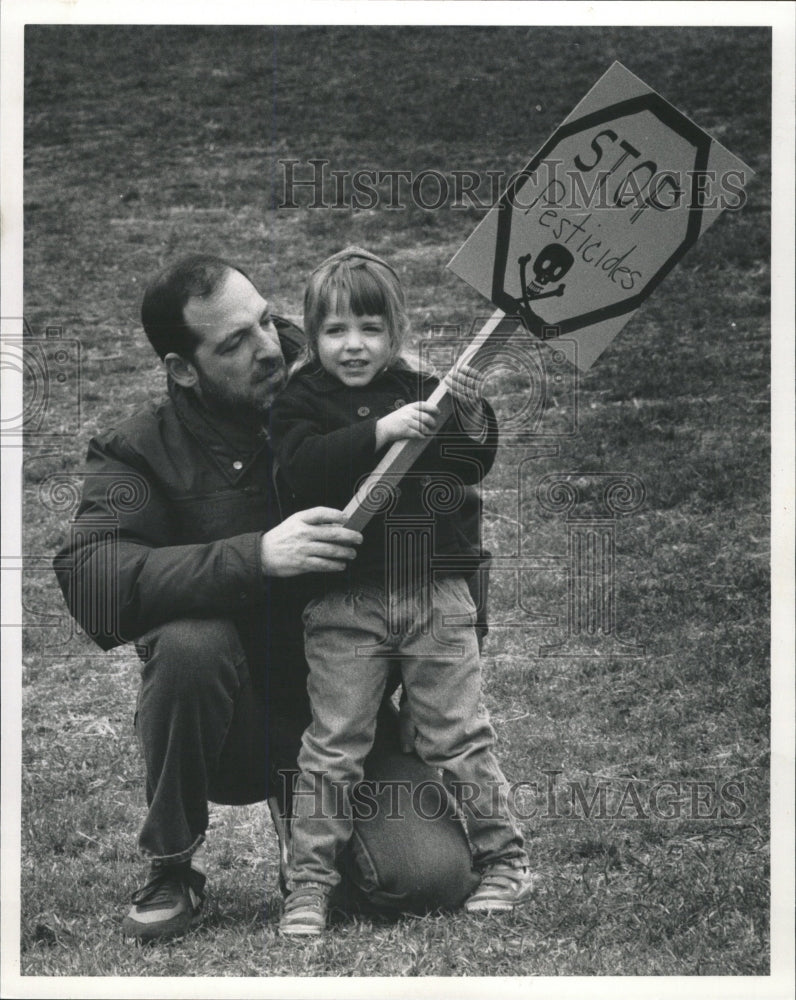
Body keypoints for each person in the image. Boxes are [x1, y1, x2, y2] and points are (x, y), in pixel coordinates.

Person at [53, 253, 484, 943]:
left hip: (348, 708)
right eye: (234, 343)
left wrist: (430, 685)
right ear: (183, 369)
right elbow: (92, 579)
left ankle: (315, 838)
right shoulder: (138, 450)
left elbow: (452, 533)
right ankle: (172, 864)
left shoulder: (359, 382)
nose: (267, 349)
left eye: (265, 319)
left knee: (429, 879)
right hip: (233, 721)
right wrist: (256, 557)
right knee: (190, 641)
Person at [269, 247, 536, 938]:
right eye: (334, 330)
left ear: (396, 329)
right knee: (333, 745)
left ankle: (504, 860)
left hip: (435, 594)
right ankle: (309, 887)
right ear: (312, 334)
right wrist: (380, 431)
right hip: (344, 607)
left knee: (460, 736)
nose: (353, 344)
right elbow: (300, 471)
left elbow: (471, 460)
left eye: (370, 327)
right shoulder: (300, 402)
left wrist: (469, 413)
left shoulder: (424, 387)